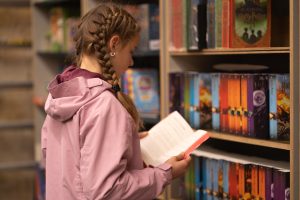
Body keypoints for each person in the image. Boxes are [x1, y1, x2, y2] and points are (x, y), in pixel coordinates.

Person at [41, 2, 191, 200]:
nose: (131, 61)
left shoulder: (60, 94)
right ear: (114, 44)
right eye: (131, 51)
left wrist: (128, 141)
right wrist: (166, 173)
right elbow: (107, 191)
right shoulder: (104, 105)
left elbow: (67, 160)